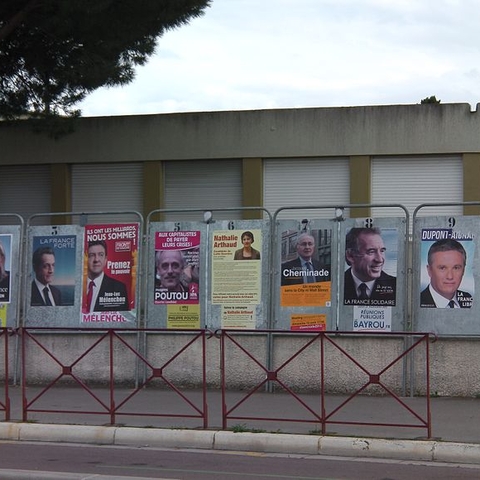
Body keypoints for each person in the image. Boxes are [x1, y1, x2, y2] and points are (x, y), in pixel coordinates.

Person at [344, 227, 396, 305]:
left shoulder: (396, 286)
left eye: (382, 251)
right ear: (350, 256)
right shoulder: (336, 286)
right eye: (371, 251)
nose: (380, 260)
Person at [420, 238, 473, 308]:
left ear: (463, 270)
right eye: (442, 268)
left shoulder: (469, 299)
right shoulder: (418, 301)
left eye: (456, 268)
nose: (450, 276)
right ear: (429, 270)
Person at [84, 240, 129, 312]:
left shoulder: (119, 288)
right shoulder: (78, 286)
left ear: (106, 259)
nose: (96, 259)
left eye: (101, 254)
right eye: (92, 255)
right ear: (86, 259)